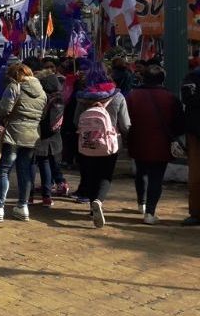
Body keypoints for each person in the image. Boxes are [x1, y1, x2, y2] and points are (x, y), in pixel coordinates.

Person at [0, 63, 47, 223]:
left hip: (14, 133)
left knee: (4, 170)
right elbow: (42, 114)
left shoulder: (15, 87)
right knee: (24, 170)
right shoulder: (42, 92)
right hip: (32, 135)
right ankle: (23, 206)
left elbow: (3, 110)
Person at [73, 65, 131, 228]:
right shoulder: (118, 96)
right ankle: (98, 201)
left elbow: (76, 121)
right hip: (110, 143)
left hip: (86, 143)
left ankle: (93, 205)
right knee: (105, 175)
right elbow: (125, 124)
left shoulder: (83, 97)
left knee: (90, 174)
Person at [126, 65, 183, 224]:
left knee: (140, 172)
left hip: (137, 142)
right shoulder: (171, 98)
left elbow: (125, 121)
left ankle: (141, 203)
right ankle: (150, 213)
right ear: (162, 79)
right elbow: (179, 124)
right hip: (162, 144)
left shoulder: (132, 96)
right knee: (156, 178)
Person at [32, 64, 68, 207]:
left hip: (41, 136)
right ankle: (47, 196)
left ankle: (36, 195)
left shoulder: (43, 98)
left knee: (38, 165)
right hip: (55, 136)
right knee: (50, 164)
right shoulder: (60, 98)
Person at [181, 64, 200, 226]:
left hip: (194, 130)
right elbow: (188, 98)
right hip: (195, 132)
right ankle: (196, 212)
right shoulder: (193, 76)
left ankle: (196, 212)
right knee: (195, 175)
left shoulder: (192, 76)